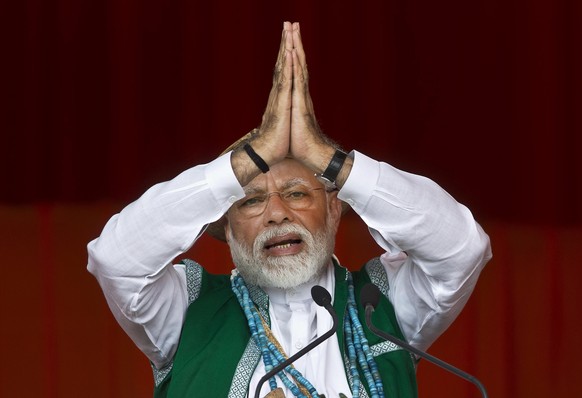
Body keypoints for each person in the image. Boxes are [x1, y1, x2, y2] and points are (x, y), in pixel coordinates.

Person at [87, 21, 492, 398]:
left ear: (334, 210)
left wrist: (329, 159)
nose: (277, 214)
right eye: (251, 200)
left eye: (297, 193)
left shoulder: (381, 304)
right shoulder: (188, 310)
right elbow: (116, 259)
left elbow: (461, 248)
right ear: (227, 228)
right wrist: (253, 155)